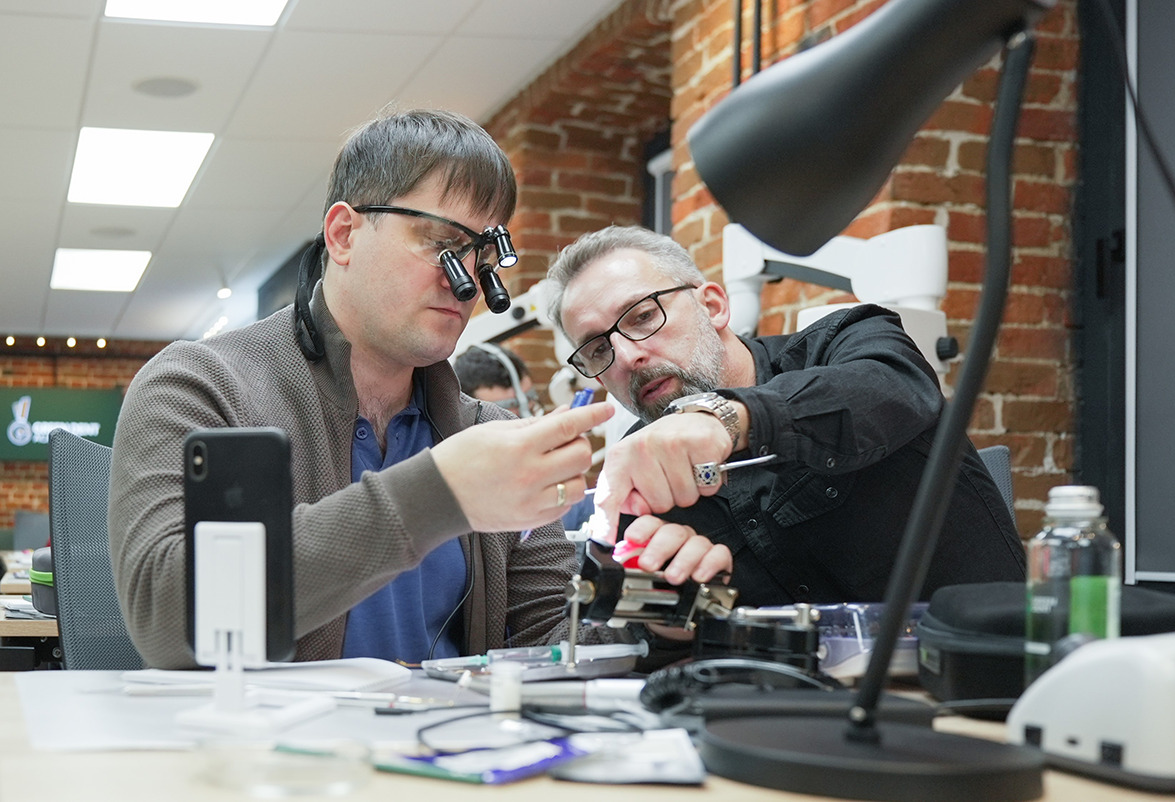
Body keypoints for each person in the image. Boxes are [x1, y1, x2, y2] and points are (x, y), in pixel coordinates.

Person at [108, 110, 727, 670]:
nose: (466, 285)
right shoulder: (201, 387)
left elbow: (548, 639)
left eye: (482, 257)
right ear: (344, 234)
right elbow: (168, 617)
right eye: (442, 246)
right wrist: (440, 493)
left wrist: (658, 615)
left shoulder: (490, 437)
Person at [545, 225, 1026, 607]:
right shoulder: (642, 474)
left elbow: (895, 389)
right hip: (786, 696)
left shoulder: (847, 340)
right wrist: (675, 613)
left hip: (973, 670)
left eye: (643, 316)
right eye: (597, 349)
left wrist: (725, 417)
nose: (628, 357)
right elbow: (670, 634)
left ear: (712, 306)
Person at [453, 344, 596, 532]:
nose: (524, 428)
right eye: (504, 416)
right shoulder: (460, 504)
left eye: (529, 408)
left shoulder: (565, 494)